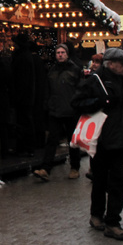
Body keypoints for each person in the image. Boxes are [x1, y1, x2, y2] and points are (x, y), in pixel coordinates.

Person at [72, 47, 123, 241]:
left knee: (118, 182)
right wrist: (99, 102)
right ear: (111, 64)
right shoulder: (95, 80)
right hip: (101, 139)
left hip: (121, 139)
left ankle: (113, 222)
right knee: (100, 179)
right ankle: (96, 215)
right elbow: (77, 103)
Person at [34, 44, 82, 181]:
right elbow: (47, 89)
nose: (60, 55)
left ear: (67, 54)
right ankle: (46, 168)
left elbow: (80, 89)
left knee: (72, 141)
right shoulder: (52, 70)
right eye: (58, 53)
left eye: (62, 52)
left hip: (71, 110)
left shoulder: (75, 70)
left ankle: (74, 167)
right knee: (52, 140)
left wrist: (77, 105)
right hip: (55, 110)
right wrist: (47, 105)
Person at [10, 34, 36, 157]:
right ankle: (27, 147)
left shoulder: (22, 58)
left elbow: (22, 79)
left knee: (23, 121)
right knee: (25, 121)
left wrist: (17, 96)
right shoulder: (26, 56)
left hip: (22, 97)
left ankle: (24, 147)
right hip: (25, 96)